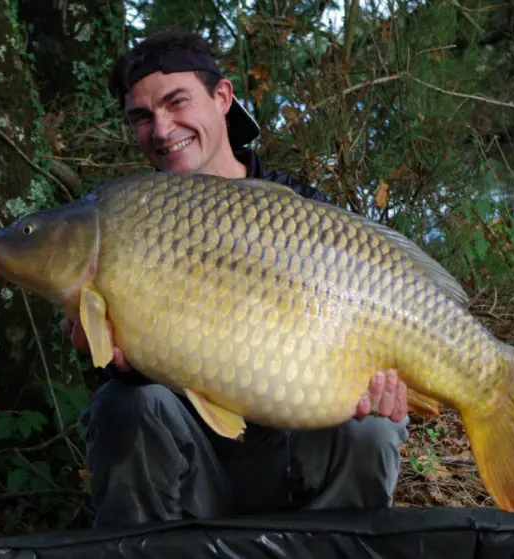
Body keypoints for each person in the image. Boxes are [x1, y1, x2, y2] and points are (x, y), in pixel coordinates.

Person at [61, 28, 411, 528]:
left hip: (294, 466)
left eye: (176, 102)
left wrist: (386, 386)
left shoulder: (300, 209)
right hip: (190, 470)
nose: (161, 130)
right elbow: (125, 388)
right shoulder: (123, 219)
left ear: (222, 97)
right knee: (123, 404)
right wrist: (116, 360)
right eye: (142, 117)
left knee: (373, 425)